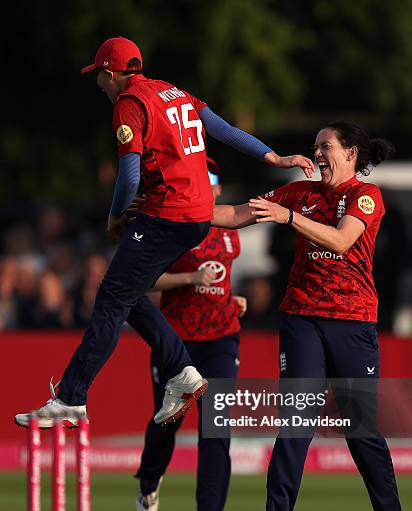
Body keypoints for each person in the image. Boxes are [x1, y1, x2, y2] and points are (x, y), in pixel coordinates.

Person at [14, 36, 314, 429]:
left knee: (110, 299)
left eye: (100, 78)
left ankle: (72, 398)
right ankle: (180, 372)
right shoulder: (174, 92)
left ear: (110, 73)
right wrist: (272, 156)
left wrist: (115, 217)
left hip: (167, 214)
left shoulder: (129, 103)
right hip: (197, 217)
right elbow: (222, 130)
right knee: (128, 291)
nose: (100, 85)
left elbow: (129, 174)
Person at [212, 121, 406, 511]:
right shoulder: (297, 193)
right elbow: (235, 214)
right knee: (295, 425)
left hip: (353, 323)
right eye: (315, 147)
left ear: (352, 152)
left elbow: (341, 240)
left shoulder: (365, 196)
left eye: (326, 147)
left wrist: (290, 220)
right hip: (301, 318)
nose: (317, 154)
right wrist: (174, 212)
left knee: (361, 431)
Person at [135, 157, 245, 511]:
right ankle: (149, 480)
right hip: (177, 341)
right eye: (203, 177)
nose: (209, 184)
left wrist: (235, 299)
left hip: (221, 337)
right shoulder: (175, 228)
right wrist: (190, 278)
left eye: (213, 178)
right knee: (168, 421)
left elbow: (220, 282)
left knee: (217, 426)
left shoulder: (231, 234)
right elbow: (146, 280)